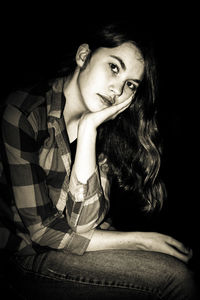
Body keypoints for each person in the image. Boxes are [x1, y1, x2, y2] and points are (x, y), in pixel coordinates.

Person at [0, 21, 198, 299]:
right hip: (23, 257)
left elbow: (83, 224)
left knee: (178, 271)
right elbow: (41, 232)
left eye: (130, 85)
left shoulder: (104, 130)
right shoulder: (24, 111)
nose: (117, 90)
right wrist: (141, 241)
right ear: (84, 56)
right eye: (114, 67)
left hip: (67, 248)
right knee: (174, 280)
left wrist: (88, 130)